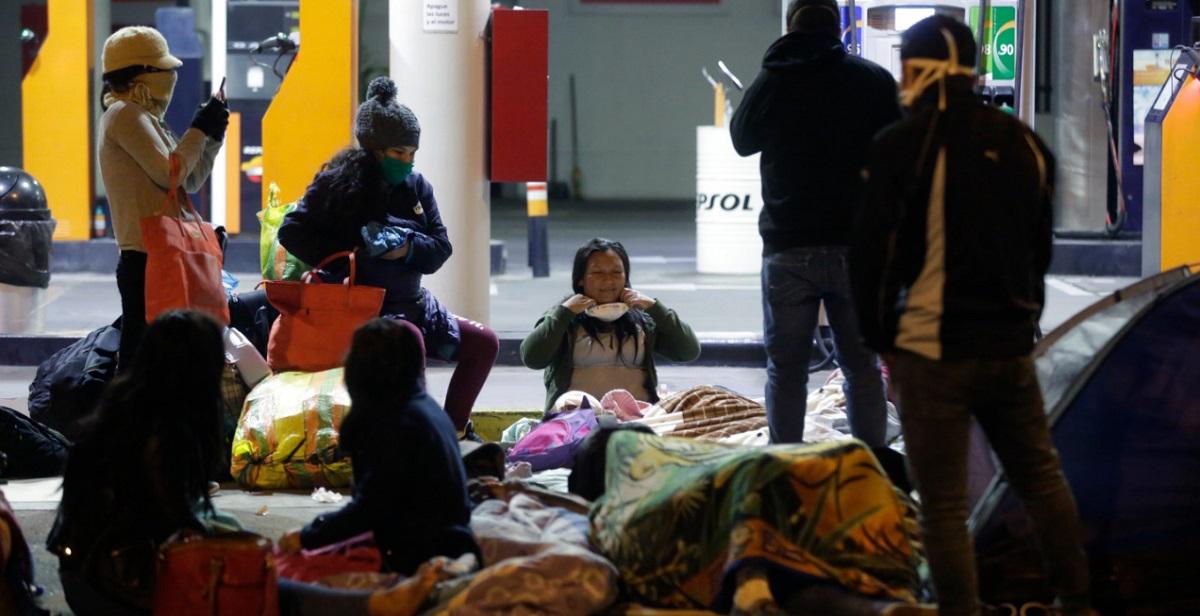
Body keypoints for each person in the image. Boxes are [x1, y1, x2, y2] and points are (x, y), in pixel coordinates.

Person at [850, 16, 1093, 616]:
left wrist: (883, 339)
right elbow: (1040, 253)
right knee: (1040, 478)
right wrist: (1022, 320)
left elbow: (870, 259)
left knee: (943, 505)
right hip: (1011, 348)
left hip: (933, 350)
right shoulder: (1026, 144)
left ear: (923, 71)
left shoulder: (904, 144)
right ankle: (1077, 600)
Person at [46, 311, 457, 616]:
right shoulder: (161, 437)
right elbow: (173, 535)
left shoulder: (126, 415)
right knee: (263, 587)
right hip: (120, 585)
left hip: (86, 577)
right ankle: (375, 605)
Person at [279, 76, 498, 437]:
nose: (407, 162)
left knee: (484, 343)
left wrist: (406, 248)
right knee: (408, 341)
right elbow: (291, 231)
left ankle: (455, 429)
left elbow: (441, 248)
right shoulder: (335, 184)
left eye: (412, 153)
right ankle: (419, 436)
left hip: (414, 303)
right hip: (365, 310)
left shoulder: (417, 186)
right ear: (374, 150)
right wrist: (354, 250)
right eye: (399, 153)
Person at [730, 0, 899, 446]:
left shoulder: (775, 79)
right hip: (856, 247)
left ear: (790, 28)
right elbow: (899, 153)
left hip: (788, 245)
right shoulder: (872, 79)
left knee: (785, 370)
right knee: (861, 367)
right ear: (840, 29)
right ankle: (872, 465)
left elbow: (742, 139)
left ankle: (785, 466)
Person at [278, 318, 481, 575]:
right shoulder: (420, 405)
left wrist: (308, 535)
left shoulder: (396, 424)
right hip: (447, 539)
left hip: (423, 553)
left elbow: (370, 510)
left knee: (285, 573)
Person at [98, 26, 229, 371]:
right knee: (144, 361)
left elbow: (190, 179)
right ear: (141, 74)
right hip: (145, 259)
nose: (172, 77)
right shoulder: (125, 115)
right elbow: (170, 173)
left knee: (165, 360)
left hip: (161, 255)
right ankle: (132, 423)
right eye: (164, 70)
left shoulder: (147, 118)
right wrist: (199, 128)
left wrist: (212, 137)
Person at [520, 238, 701, 412]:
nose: (608, 281)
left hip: (636, 421)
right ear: (580, 279)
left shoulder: (643, 320)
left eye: (616, 272)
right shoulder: (564, 318)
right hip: (576, 423)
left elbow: (688, 351)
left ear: (626, 276)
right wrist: (563, 313)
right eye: (597, 273)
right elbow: (532, 358)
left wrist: (655, 308)